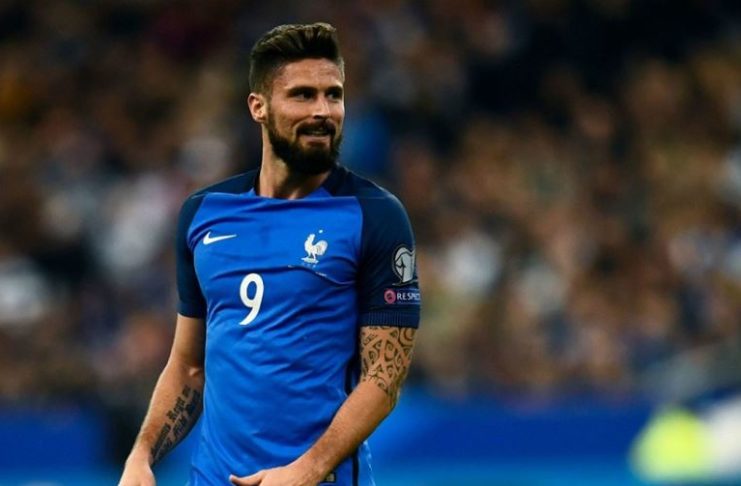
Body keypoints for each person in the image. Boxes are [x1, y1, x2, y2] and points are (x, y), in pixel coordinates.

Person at [118, 22, 421, 486]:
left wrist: (306, 470)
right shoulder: (204, 214)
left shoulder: (374, 214)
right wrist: (141, 457)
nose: (323, 111)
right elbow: (189, 367)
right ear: (258, 107)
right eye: (302, 95)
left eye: (334, 95)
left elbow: (384, 379)